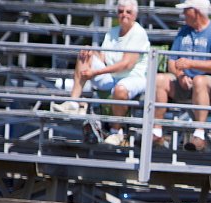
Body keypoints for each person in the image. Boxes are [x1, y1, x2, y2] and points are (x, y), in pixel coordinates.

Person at [51, 0, 150, 147]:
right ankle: (73, 102)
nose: (124, 15)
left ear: (135, 15)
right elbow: (104, 57)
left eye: (128, 12)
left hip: (133, 77)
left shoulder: (139, 33)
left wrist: (95, 72)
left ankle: (117, 131)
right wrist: (90, 52)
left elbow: (126, 64)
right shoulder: (113, 31)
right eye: (121, 11)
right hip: (112, 77)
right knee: (85, 53)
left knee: (120, 89)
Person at [152, 0, 211, 152]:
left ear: (196, 12)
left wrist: (191, 64)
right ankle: (156, 132)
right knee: (160, 79)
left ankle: (199, 134)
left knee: (199, 81)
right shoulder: (184, 31)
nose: (183, 14)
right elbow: (171, 61)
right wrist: (180, 75)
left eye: (186, 10)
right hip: (187, 83)